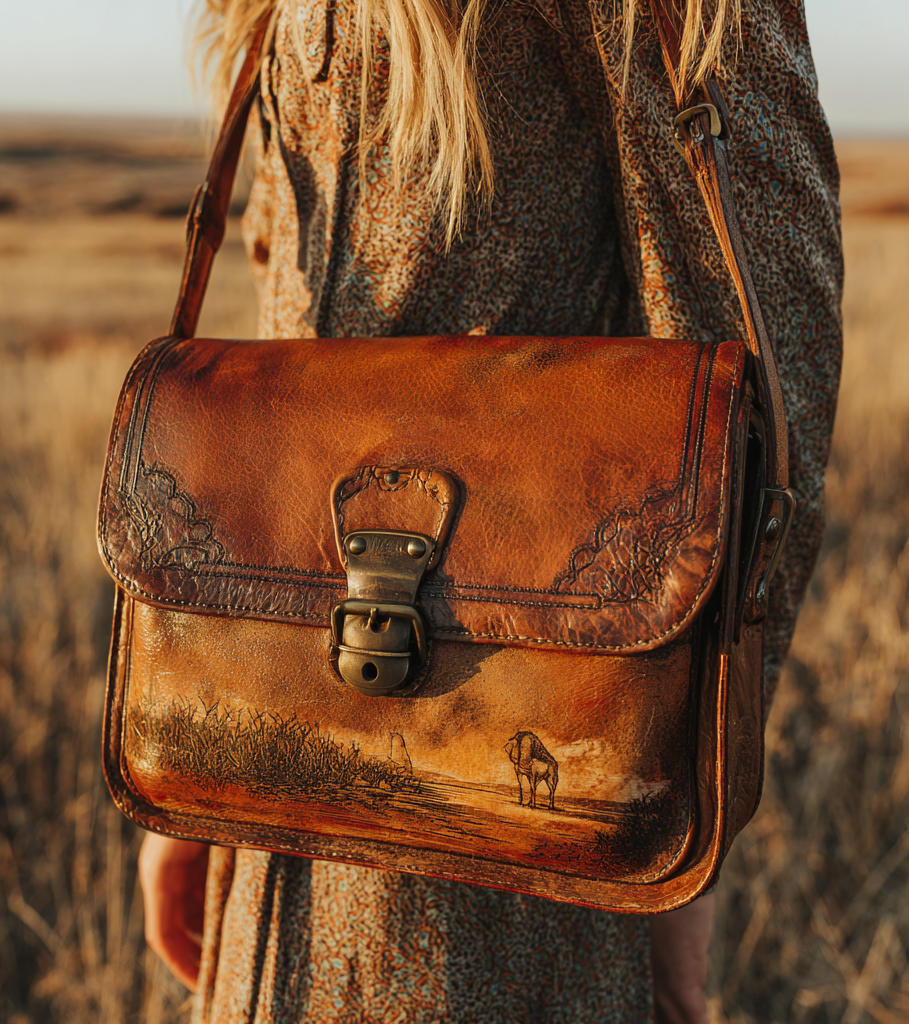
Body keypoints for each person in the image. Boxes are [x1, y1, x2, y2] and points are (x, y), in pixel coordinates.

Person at [137, 0, 842, 1019]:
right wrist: (203, 724)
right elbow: (279, 339)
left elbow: (759, 376)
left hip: (522, 781)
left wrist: (700, 786)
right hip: (269, 756)